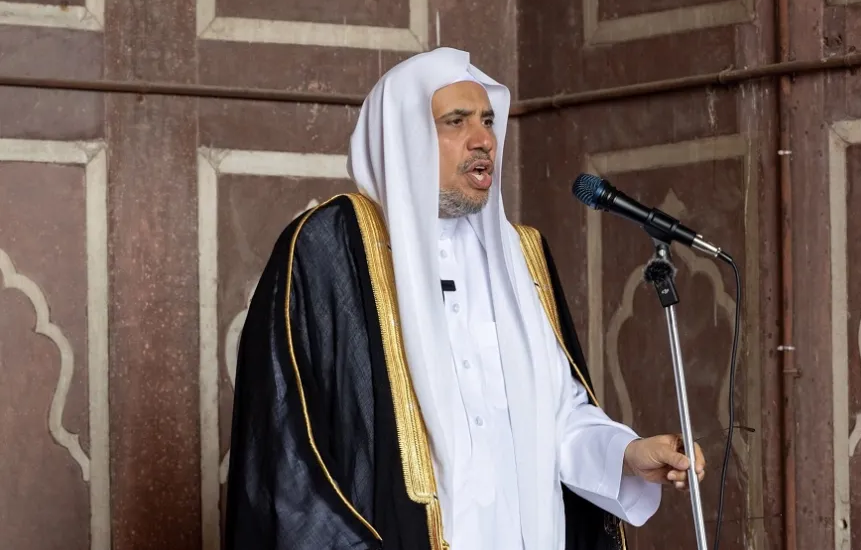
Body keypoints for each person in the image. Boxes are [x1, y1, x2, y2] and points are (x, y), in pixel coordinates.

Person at [224, 47, 705, 550]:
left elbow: (558, 422)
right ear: (403, 138)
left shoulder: (521, 256)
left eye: (488, 121)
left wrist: (627, 454)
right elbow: (284, 450)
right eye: (456, 122)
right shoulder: (331, 248)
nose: (484, 141)